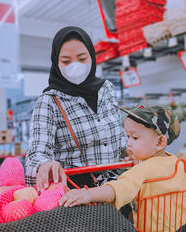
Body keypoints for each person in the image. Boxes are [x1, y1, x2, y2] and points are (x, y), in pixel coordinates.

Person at [60, 102, 186, 231]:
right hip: (181, 225)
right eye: (127, 136)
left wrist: (87, 194)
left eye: (135, 138)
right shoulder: (177, 163)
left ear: (160, 142)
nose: (128, 143)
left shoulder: (142, 170)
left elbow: (119, 189)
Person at [25, 26, 127, 192]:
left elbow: (120, 138)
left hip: (118, 188)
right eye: (66, 61)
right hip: (78, 195)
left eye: (82, 58)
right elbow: (36, 153)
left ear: (92, 57)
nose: (75, 66)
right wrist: (44, 165)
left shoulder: (107, 89)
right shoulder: (50, 101)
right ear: (56, 63)